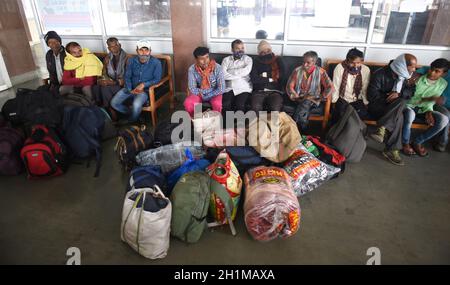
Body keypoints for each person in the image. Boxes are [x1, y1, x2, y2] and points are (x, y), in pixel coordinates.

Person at [367, 53, 417, 166]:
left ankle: (382, 128)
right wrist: (389, 97)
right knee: (399, 115)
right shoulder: (380, 74)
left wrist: (398, 94)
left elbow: (411, 93)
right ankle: (392, 150)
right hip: (378, 107)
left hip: (395, 109)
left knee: (401, 104)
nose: (414, 69)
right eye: (411, 66)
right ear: (402, 65)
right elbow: (372, 96)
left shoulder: (408, 77)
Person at [402, 58, 449, 156]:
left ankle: (417, 142)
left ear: (444, 74)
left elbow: (431, 100)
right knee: (410, 115)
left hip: (424, 108)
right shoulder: (417, 78)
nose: (432, 72)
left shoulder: (443, 84)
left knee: (444, 119)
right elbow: (410, 98)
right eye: (431, 69)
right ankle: (405, 143)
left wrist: (429, 111)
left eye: (437, 71)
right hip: (409, 106)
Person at [110, 39, 162, 123]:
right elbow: (127, 76)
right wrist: (130, 89)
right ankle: (135, 116)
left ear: (150, 51)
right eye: (141, 50)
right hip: (129, 88)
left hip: (144, 91)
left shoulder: (156, 63)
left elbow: (157, 79)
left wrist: (143, 85)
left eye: (146, 50)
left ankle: (131, 121)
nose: (144, 53)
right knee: (114, 103)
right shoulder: (131, 61)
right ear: (137, 50)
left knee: (136, 104)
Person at [286, 51, 334, 130]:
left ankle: (295, 129)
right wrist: (295, 96)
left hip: (313, 98)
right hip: (298, 97)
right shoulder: (297, 70)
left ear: (314, 62)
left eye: (308, 63)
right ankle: (303, 131)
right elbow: (289, 86)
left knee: (306, 101)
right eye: (303, 62)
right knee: (304, 103)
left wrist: (322, 97)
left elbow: (330, 87)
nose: (305, 65)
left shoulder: (321, 72)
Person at [184, 47, 225, 118]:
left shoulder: (218, 68)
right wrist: (202, 93)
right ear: (196, 60)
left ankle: (216, 123)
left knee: (217, 104)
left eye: (207, 57)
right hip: (199, 93)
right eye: (202, 59)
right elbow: (192, 88)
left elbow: (221, 88)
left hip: (214, 92)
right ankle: (196, 122)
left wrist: (208, 95)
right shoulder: (192, 69)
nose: (205, 61)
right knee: (188, 103)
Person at [331, 48, 370, 122]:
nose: (355, 65)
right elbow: (335, 86)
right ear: (347, 60)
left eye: (358, 63)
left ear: (362, 61)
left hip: (357, 99)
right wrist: (334, 102)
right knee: (340, 115)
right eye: (352, 63)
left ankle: (353, 133)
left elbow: (365, 87)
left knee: (359, 115)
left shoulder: (366, 70)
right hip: (343, 98)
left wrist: (365, 102)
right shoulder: (339, 68)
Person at [92, 37, 128, 114]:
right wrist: (102, 79)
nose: (114, 48)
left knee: (105, 89)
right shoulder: (107, 58)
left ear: (120, 45)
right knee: (96, 87)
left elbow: (127, 77)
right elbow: (104, 72)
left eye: (116, 45)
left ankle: (112, 113)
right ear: (108, 48)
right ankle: (101, 111)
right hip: (111, 81)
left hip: (122, 85)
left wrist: (112, 82)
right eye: (111, 46)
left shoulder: (127, 58)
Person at [250, 40, 285, 113]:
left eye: (268, 51)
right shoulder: (255, 61)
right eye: (263, 52)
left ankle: (272, 125)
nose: (266, 53)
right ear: (259, 53)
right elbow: (254, 79)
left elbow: (282, 75)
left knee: (275, 108)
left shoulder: (278, 60)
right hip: (259, 91)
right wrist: (271, 79)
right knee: (255, 107)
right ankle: (259, 124)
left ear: (271, 50)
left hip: (275, 91)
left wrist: (263, 75)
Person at [221, 39, 253, 113]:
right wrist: (239, 75)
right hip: (229, 87)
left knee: (240, 105)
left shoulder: (248, 59)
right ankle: (228, 124)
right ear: (232, 49)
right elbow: (223, 75)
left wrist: (230, 71)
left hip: (243, 87)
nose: (240, 50)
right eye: (237, 48)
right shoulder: (226, 60)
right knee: (226, 104)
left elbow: (246, 71)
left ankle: (240, 124)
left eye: (242, 48)